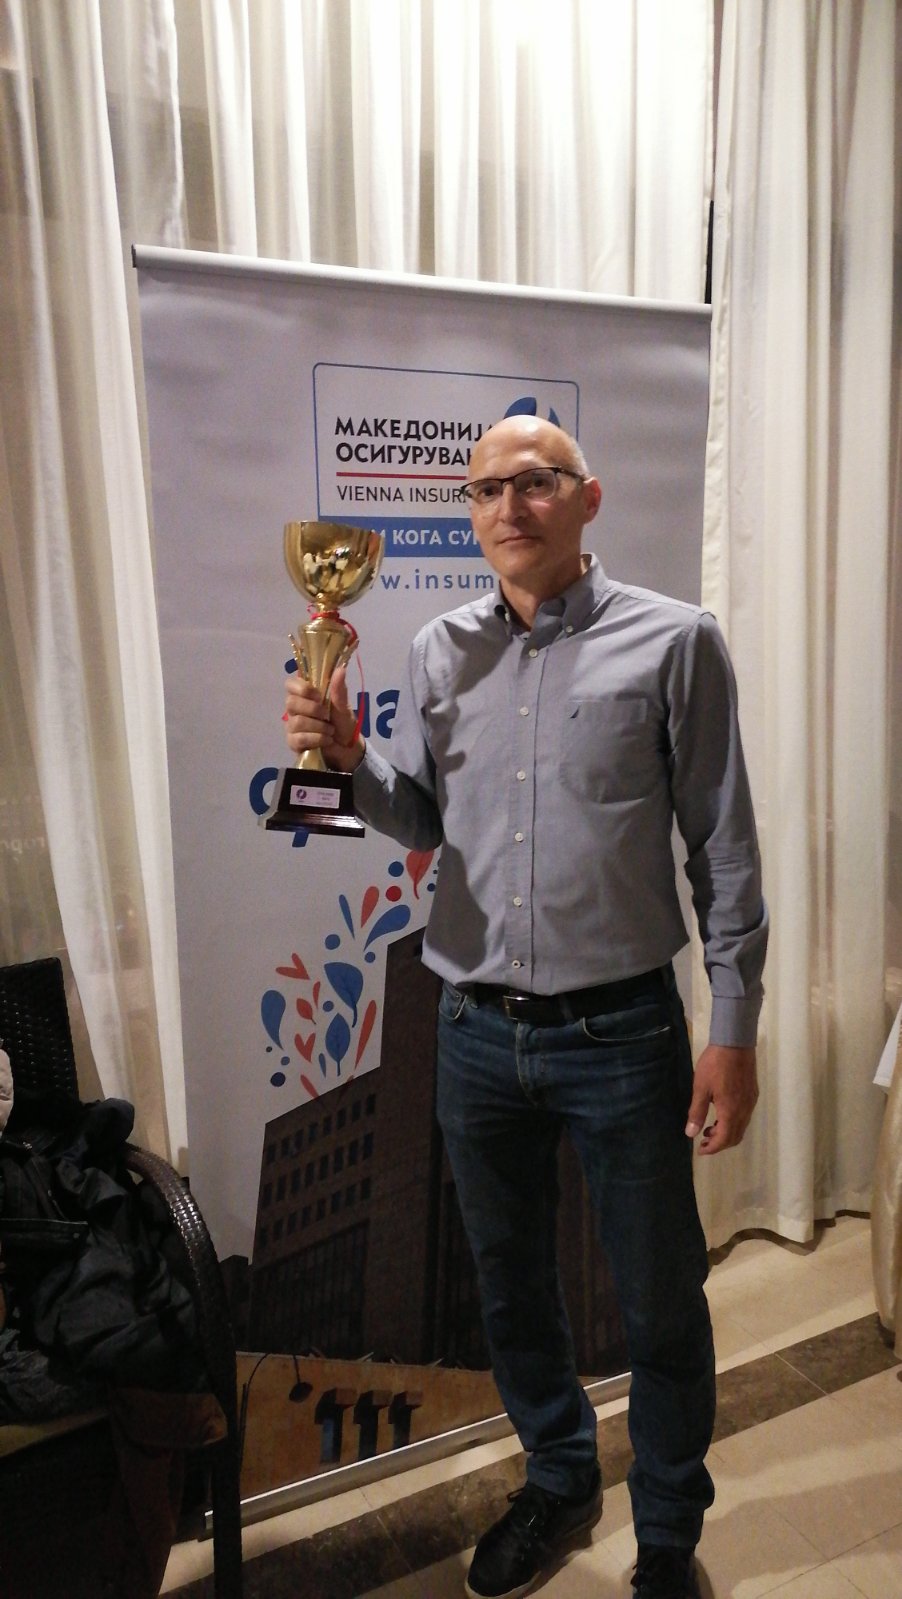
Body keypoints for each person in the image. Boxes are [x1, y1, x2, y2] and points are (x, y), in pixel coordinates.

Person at [284, 415, 768, 1599]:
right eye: (486, 489)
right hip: (472, 1031)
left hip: (622, 1034)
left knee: (657, 1299)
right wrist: (347, 761)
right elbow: (425, 822)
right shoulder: (437, 648)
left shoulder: (676, 641)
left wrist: (731, 1028)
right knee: (509, 1290)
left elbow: (721, 849)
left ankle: (667, 1534)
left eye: (536, 482)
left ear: (586, 498)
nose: (509, 506)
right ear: (470, 512)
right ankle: (557, 1477)